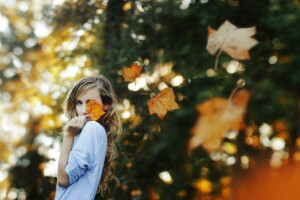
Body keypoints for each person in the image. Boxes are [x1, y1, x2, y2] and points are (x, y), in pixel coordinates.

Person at [55, 75, 121, 200]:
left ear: (106, 104)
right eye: (79, 103)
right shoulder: (90, 132)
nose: (84, 110)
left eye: (91, 103)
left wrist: (68, 135)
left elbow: (63, 180)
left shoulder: (92, 129)